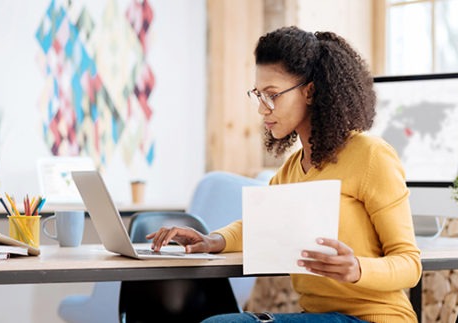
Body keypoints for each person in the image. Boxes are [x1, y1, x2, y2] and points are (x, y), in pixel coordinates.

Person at [147, 26, 422, 323]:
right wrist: (213, 240)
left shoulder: (370, 156)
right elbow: (255, 226)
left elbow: (410, 264)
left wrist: (357, 268)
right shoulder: (291, 170)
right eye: (258, 95)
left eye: (273, 95)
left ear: (310, 91)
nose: (263, 109)